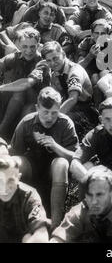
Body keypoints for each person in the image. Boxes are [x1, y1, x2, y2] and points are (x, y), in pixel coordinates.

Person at [11, 87, 79, 229]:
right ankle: (17, 218)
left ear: (60, 108)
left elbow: (76, 158)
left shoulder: (65, 124)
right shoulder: (26, 123)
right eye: (45, 112)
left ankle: (56, 224)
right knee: (15, 163)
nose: (49, 117)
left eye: (54, 112)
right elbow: (14, 153)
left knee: (61, 163)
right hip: (31, 169)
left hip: (55, 174)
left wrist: (55, 146)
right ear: (37, 108)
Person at [50, 165, 112, 243]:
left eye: (99, 195)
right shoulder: (81, 211)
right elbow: (57, 239)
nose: (94, 201)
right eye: (90, 195)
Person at [0, 155, 49, 243]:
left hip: (24, 239)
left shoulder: (29, 196)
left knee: (27, 236)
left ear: (18, 178)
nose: (5, 187)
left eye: (11, 180)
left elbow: (41, 236)